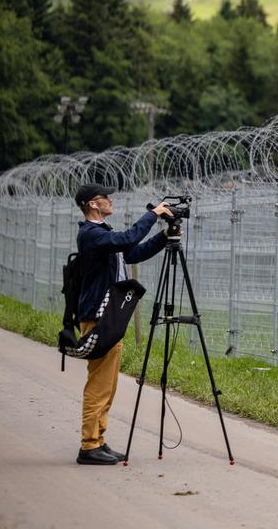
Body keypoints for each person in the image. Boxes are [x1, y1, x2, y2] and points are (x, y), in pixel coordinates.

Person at [73, 183, 173, 465]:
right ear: (93, 204)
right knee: (100, 383)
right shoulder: (91, 234)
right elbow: (128, 240)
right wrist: (153, 214)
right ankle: (89, 445)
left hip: (110, 314)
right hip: (98, 315)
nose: (110, 201)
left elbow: (133, 253)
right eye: (106, 198)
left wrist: (165, 236)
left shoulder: (103, 235)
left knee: (108, 383)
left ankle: (98, 441)